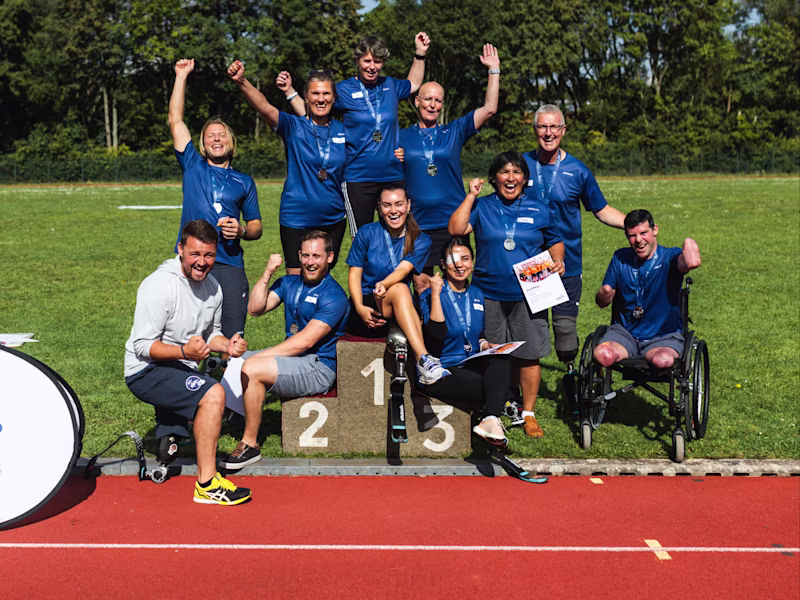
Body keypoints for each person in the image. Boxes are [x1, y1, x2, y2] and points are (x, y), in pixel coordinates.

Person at [124, 219, 251, 506]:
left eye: (208, 255)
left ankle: (170, 432)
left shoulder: (214, 287)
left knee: (208, 390)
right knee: (213, 393)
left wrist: (227, 345)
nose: (201, 262)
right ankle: (207, 483)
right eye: (195, 254)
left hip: (181, 364)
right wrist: (184, 352)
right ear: (180, 249)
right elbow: (142, 347)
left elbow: (212, 334)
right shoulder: (159, 286)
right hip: (143, 371)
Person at [449, 151, 565, 438]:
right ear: (493, 178)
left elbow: (555, 241)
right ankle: (496, 408)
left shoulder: (541, 208)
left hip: (530, 292)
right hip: (487, 292)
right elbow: (456, 228)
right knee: (492, 354)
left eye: (516, 173)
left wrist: (558, 260)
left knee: (529, 354)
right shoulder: (483, 206)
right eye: (504, 172)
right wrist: (470, 196)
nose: (510, 178)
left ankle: (528, 414)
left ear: (525, 179)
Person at [220, 230, 349, 470]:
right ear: (299, 255)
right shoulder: (289, 282)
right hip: (295, 358)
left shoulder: (334, 295)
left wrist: (256, 358)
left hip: (318, 366)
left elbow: (305, 342)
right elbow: (255, 308)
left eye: (317, 256)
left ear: (330, 257)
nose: (311, 262)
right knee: (232, 358)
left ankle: (250, 445)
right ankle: (234, 415)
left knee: (253, 367)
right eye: (306, 256)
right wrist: (268, 272)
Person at [522, 104, 625, 372]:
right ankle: (518, 387)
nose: (548, 132)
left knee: (565, 333)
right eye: (542, 126)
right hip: (527, 263)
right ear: (534, 130)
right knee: (530, 332)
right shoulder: (520, 165)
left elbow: (601, 210)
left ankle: (569, 377)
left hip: (566, 263)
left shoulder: (577, 170)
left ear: (563, 130)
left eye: (554, 126)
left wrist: (635, 226)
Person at [169, 58, 262, 339]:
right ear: (203, 143)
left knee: (232, 337)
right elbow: (175, 119)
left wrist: (242, 230)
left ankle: (227, 382)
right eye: (211, 136)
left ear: (230, 141)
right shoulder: (193, 166)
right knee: (187, 335)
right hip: (190, 260)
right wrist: (182, 76)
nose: (217, 139)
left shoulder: (244, 181)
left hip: (229, 264)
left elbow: (256, 227)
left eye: (222, 135)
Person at [227, 61, 348, 273]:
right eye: (316, 94)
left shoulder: (344, 131)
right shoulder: (293, 127)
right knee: (296, 282)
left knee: (322, 280)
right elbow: (263, 106)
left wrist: (397, 154)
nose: (321, 99)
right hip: (297, 219)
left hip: (333, 219)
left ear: (334, 98)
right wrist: (242, 81)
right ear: (307, 98)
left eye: (326, 94)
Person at [399, 44, 500, 294]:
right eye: (427, 99)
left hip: (453, 222)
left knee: (456, 280)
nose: (432, 105)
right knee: (421, 282)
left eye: (437, 100)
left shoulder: (454, 131)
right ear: (416, 101)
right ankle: (423, 333)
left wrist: (494, 70)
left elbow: (490, 109)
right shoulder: (400, 136)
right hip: (418, 224)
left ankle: (456, 331)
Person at [346, 185, 449, 385]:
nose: (393, 210)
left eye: (399, 204)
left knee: (401, 288)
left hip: (398, 304)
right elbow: (354, 275)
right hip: (368, 307)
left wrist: (384, 283)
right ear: (379, 208)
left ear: (408, 205)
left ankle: (424, 360)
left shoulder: (421, 239)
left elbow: (403, 269)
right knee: (402, 289)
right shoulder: (367, 233)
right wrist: (359, 307)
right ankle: (425, 360)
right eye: (387, 205)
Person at [331, 33, 430, 236]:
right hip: (358, 178)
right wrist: (291, 93)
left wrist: (420, 54)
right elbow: (317, 108)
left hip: (392, 175)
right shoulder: (342, 90)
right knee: (363, 238)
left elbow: (414, 83)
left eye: (377, 61)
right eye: (367, 60)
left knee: (399, 234)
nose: (372, 66)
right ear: (357, 60)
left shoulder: (390, 85)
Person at [418, 237, 513, 444]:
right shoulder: (429, 294)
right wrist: (435, 294)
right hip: (443, 368)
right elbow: (436, 336)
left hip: (470, 360)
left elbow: (476, 333)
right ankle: (492, 417)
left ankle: (489, 419)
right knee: (495, 389)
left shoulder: (476, 293)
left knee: (502, 359)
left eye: (466, 259)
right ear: (442, 264)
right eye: (453, 259)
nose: (460, 265)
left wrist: (485, 345)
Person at [593, 209, 701, 369]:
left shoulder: (669, 257)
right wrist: (604, 294)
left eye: (643, 233)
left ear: (655, 230)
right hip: (624, 334)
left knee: (663, 360)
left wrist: (689, 245)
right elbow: (601, 303)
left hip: (663, 336)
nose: (638, 240)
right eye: (632, 235)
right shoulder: (620, 258)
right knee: (603, 354)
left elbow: (688, 263)